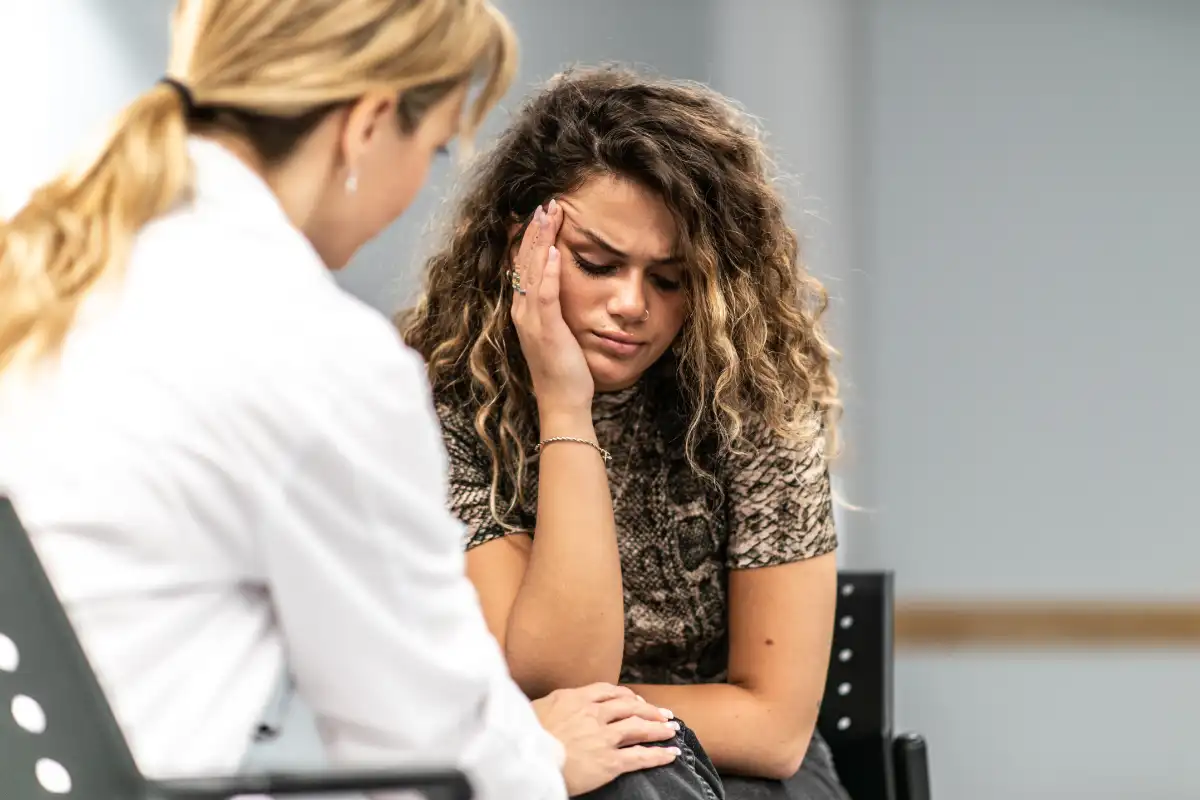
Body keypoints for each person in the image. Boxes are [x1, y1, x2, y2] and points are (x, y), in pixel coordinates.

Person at [0, 4, 688, 798]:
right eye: (430, 152)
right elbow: (430, 755)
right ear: (365, 127)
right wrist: (540, 756)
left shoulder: (49, 275)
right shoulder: (315, 353)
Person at [401, 66, 851, 800]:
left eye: (671, 280)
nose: (630, 304)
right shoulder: (446, 403)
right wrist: (564, 407)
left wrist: (560, 722)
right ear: (523, 246)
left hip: (740, 776)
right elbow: (556, 675)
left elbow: (773, 729)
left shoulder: (755, 400)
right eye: (597, 264)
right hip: (552, 772)